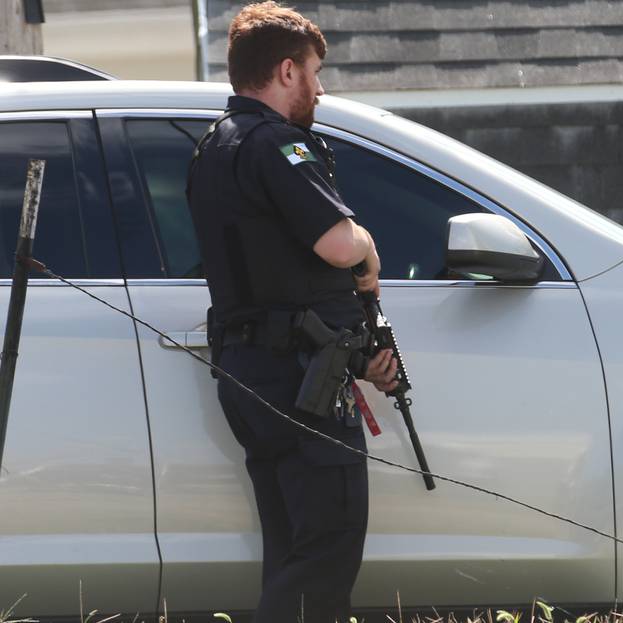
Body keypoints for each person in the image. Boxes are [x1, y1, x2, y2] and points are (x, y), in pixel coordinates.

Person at [186, 3, 398, 622]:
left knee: (292, 547)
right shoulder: (277, 144)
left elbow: (278, 271)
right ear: (285, 71)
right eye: (313, 71)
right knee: (325, 548)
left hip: (253, 371)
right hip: (295, 379)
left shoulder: (212, 148)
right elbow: (336, 244)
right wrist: (368, 246)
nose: (320, 87)